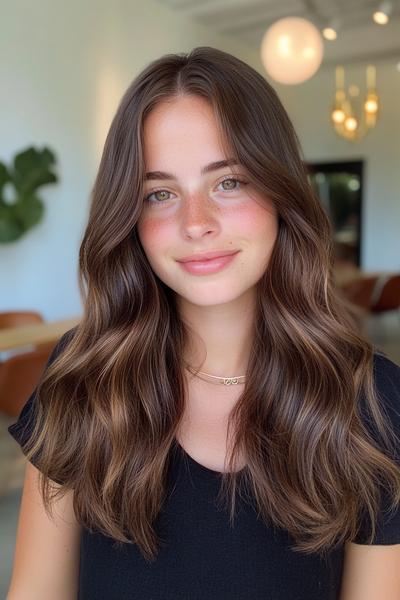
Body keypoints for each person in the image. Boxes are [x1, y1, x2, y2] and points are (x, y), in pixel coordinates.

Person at [6, 46, 400, 600]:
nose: (196, 223)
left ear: (280, 192)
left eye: (229, 182)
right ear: (130, 218)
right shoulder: (85, 376)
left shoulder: (375, 402)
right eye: (160, 193)